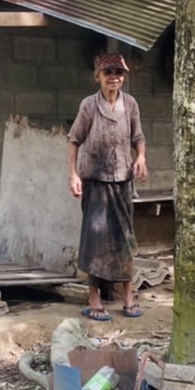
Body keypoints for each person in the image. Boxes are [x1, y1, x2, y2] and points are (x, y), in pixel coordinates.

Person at [67, 52, 147, 320]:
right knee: (95, 241)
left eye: (119, 73)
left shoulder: (131, 104)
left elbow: (138, 137)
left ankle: (128, 297)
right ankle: (94, 299)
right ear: (98, 76)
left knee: (126, 241)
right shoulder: (89, 106)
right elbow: (74, 140)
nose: (114, 77)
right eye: (108, 72)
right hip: (95, 180)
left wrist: (141, 158)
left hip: (122, 180)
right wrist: (73, 175)